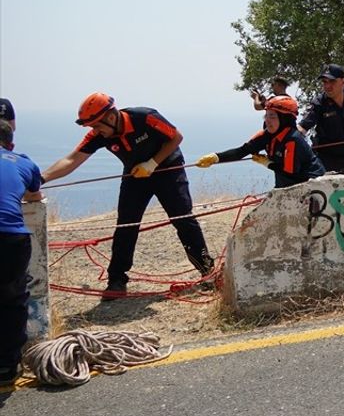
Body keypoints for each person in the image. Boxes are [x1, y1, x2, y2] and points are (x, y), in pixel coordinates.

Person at [40, 93, 214, 298]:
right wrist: (41, 179)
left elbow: (176, 137)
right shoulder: (99, 134)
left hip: (167, 169)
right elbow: (72, 159)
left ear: (111, 117)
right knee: (125, 224)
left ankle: (207, 272)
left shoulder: (145, 117)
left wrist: (152, 163)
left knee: (182, 218)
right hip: (135, 174)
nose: (95, 131)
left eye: (96, 126)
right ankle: (116, 280)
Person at [195, 96, 325, 188]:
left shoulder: (293, 140)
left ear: (285, 119)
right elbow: (242, 151)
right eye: (266, 116)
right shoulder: (266, 135)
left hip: (310, 185)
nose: (267, 120)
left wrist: (268, 164)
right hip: (286, 185)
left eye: (272, 116)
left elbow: (290, 173)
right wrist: (216, 158)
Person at [0, 121, 41, 386]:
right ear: (11, 144)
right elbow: (34, 196)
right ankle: (6, 366)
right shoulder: (24, 163)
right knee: (12, 300)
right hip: (10, 237)